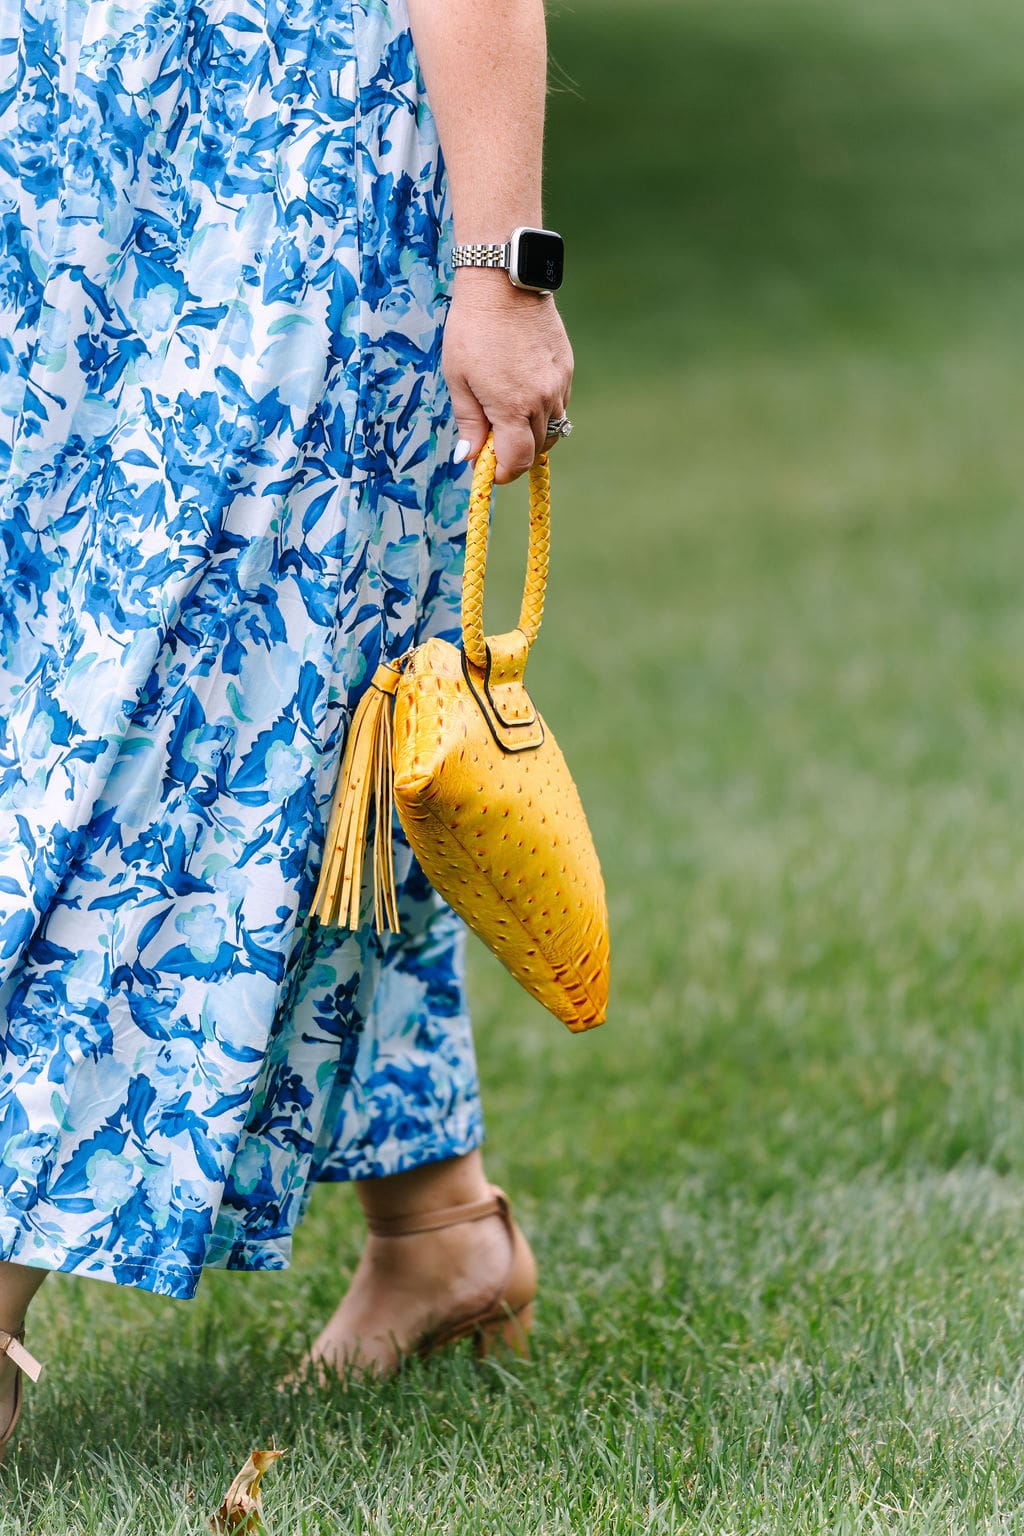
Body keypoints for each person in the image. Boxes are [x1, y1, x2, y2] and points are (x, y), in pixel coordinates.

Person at [0, 0, 573, 1453]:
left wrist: (505, 271)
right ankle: (439, 1227)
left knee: (187, 709)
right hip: (69, 190)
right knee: (279, 747)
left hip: (287, 178)